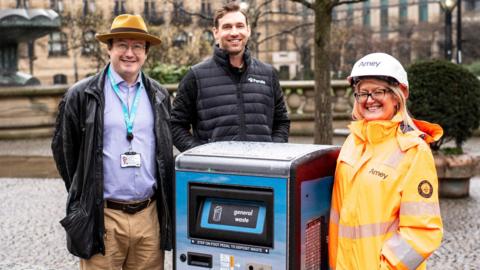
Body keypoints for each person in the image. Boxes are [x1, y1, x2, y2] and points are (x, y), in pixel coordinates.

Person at [51, 14, 173, 270]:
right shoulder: (81, 95)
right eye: (122, 45)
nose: (130, 53)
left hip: (148, 218)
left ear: (146, 52)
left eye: (137, 46)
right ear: (109, 48)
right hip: (102, 217)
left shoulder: (159, 95)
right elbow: (65, 152)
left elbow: (163, 153)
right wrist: (85, 197)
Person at [328, 53, 443, 270]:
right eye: (362, 93)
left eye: (378, 91)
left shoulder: (414, 150)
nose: (369, 100)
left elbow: (423, 231)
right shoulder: (352, 142)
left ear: (398, 95)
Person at [171, 2, 290, 152]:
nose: (234, 32)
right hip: (216, 173)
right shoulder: (196, 75)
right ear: (215, 32)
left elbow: (281, 121)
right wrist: (200, 156)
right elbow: (176, 125)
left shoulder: (268, 74)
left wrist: (273, 151)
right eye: (227, 27)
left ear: (248, 30)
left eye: (239, 26)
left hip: (262, 171)